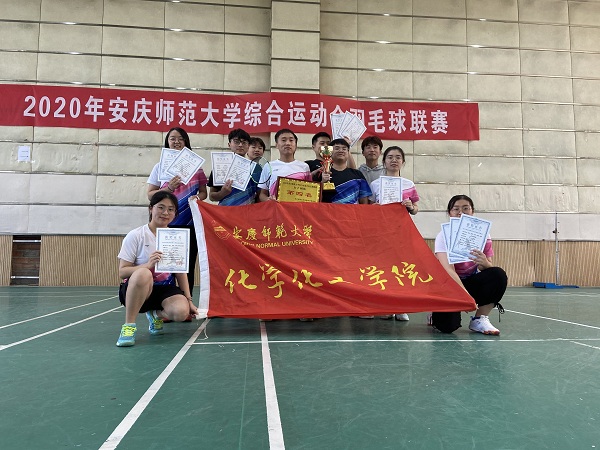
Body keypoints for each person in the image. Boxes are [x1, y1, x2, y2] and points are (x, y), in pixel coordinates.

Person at [116, 191, 199, 347]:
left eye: (171, 209)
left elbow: (180, 272)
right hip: (137, 289)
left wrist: (189, 301)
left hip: (164, 290)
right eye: (161, 207)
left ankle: (155, 315)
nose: (165, 213)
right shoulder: (136, 235)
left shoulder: (177, 238)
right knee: (143, 273)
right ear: (151, 209)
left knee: (181, 313)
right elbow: (122, 272)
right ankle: (129, 326)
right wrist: (147, 265)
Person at [432, 195, 508, 335]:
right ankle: (434, 313)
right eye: (456, 209)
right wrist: (465, 296)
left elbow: (487, 268)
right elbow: (448, 270)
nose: (461, 212)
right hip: (449, 284)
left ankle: (479, 319)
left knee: (498, 274)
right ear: (449, 213)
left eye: (466, 208)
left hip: (470, 281)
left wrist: (485, 263)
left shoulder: (484, 235)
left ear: (472, 211)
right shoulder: (443, 236)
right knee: (447, 327)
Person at [147, 127, 207, 296]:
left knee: (187, 264)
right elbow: (150, 194)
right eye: (172, 138)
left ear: (186, 142)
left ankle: (187, 300)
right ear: (167, 142)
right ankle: (165, 300)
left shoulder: (197, 168)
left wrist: (197, 197)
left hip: (190, 223)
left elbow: (204, 192)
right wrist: (168, 188)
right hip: (165, 223)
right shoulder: (160, 167)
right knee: (165, 264)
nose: (176, 142)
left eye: (180, 138)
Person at [369, 145, 420, 321]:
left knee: (402, 268)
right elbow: (368, 207)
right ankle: (385, 306)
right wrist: (373, 208)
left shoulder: (408, 184)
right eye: (390, 157)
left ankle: (401, 307)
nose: (394, 160)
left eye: (398, 157)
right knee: (383, 268)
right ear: (384, 161)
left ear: (403, 162)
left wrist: (411, 206)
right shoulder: (375, 184)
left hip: (401, 232)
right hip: (381, 232)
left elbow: (416, 209)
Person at [208, 128, 262, 206]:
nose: (240, 145)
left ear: (248, 146)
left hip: (248, 212)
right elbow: (211, 196)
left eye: (244, 142)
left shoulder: (256, 168)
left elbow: (261, 195)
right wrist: (222, 193)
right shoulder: (219, 166)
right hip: (224, 212)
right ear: (229, 144)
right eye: (236, 142)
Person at [258, 128, 311, 201]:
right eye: (283, 140)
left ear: (296, 145)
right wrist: (268, 200)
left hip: (297, 207)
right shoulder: (268, 166)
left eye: (291, 140)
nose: (288, 143)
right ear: (276, 145)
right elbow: (262, 194)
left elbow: (309, 192)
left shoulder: (304, 167)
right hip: (276, 207)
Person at [318, 138, 371, 204]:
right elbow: (315, 199)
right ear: (330, 152)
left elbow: (364, 200)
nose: (341, 151)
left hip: (352, 210)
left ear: (348, 153)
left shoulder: (358, 174)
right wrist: (322, 183)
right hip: (329, 210)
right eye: (337, 148)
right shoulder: (321, 174)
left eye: (344, 149)